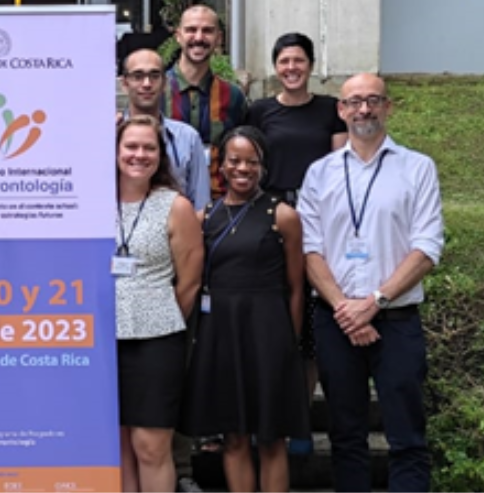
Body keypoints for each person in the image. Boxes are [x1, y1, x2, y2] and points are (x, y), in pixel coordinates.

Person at [297, 73, 444, 492]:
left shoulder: (417, 168)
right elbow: (309, 249)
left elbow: (427, 247)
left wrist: (374, 301)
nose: (364, 109)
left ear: (388, 107)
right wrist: (347, 308)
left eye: (373, 100)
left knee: (407, 438)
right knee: (346, 437)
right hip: (335, 321)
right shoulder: (319, 173)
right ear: (341, 110)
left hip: (396, 320)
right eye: (355, 102)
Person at [180, 126, 310, 492]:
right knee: (233, 436)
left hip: (268, 333)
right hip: (221, 334)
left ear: (263, 165)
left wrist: (290, 343)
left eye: (252, 162)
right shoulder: (204, 217)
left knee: (271, 438)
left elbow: (296, 286)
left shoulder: (282, 215)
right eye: (235, 160)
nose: (243, 169)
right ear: (221, 165)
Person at [245, 32, 348, 454]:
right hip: (270, 217)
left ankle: (301, 419)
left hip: (317, 218)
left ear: (311, 64)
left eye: (299, 60)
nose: (291, 68)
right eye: (284, 61)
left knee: (309, 328)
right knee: (271, 319)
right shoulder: (259, 110)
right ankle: (266, 416)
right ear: (275, 66)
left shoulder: (330, 110)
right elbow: (249, 165)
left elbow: (341, 169)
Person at [114, 115, 203, 492]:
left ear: (160, 155)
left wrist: (158, 315)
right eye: (130, 146)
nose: (139, 155)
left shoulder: (175, 206)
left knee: (150, 446)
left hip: (157, 341)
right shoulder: (90, 202)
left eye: (149, 147)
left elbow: (190, 281)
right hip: (101, 341)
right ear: (115, 151)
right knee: (118, 446)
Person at [163, 4, 249, 202]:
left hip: (218, 205)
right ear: (178, 36)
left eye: (207, 31)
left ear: (219, 38)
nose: (199, 37)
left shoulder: (233, 96)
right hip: (167, 206)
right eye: (191, 30)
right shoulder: (156, 92)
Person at [119, 48, 211, 212]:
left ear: (165, 83)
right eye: (138, 76)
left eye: (154, 76)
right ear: (125, 84)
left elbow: (200, 207)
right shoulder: (109, 136)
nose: (147, 84)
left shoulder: (188, 138)